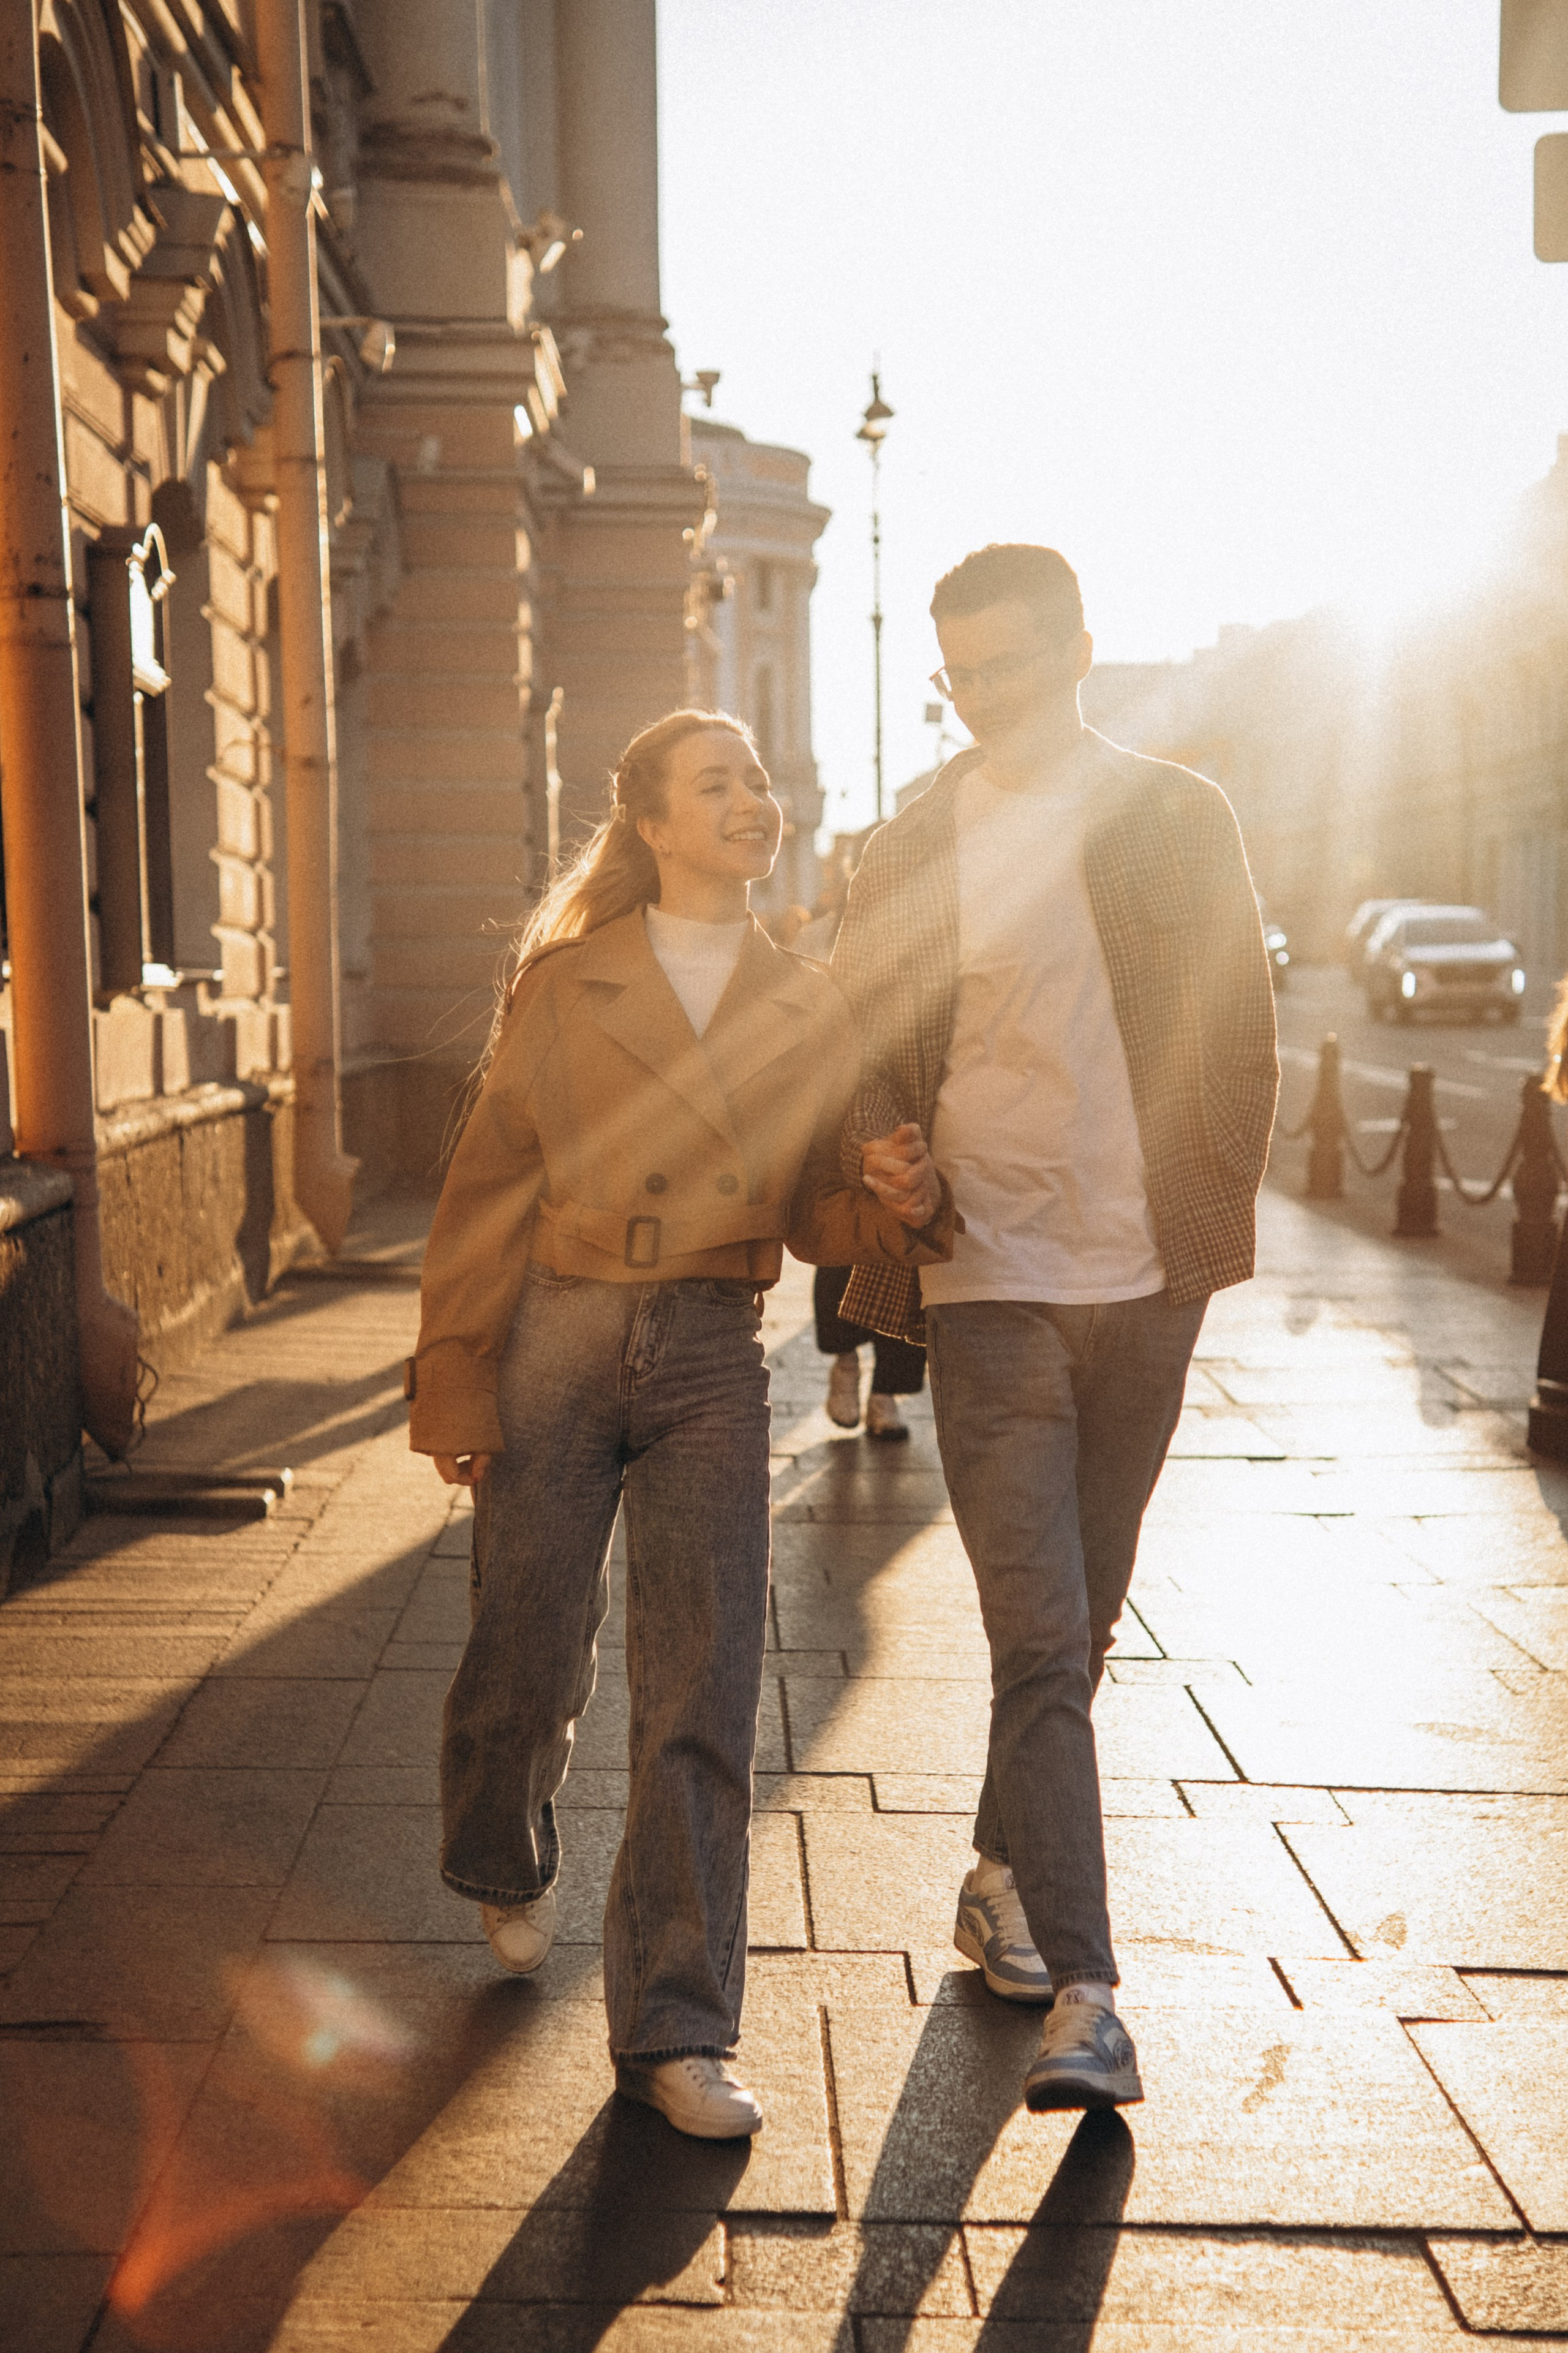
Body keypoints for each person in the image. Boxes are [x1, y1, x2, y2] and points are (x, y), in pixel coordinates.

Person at [405, 708, 953, 2142]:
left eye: (760, 778)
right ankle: (500, 1852)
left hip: (714, 1345)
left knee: (703, 1685)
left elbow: (813, 1217)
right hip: (557, 1338)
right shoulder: (569, 980)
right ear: (649, 822)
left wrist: (893, 1200)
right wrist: (454, 1376)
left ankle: (675, 2026)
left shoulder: (807, 996)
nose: (751, 801)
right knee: (522, 1641)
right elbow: (484, 1190)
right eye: (717, 785)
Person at [834, 545, 1278, 2113]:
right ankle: (1087, 1992)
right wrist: (884, 1146)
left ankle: (992, 1873)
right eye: (959, 673)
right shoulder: (906, 847)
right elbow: (862, 1048)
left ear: (1081, 650)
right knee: (1037, 1628)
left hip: (1141, 1273)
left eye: (1010, 666)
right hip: (985, 1275)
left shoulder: (1172, 813)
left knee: (1078, 1621)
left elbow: (1236, 1021)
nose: (982, 696)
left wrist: (1209, 1192)